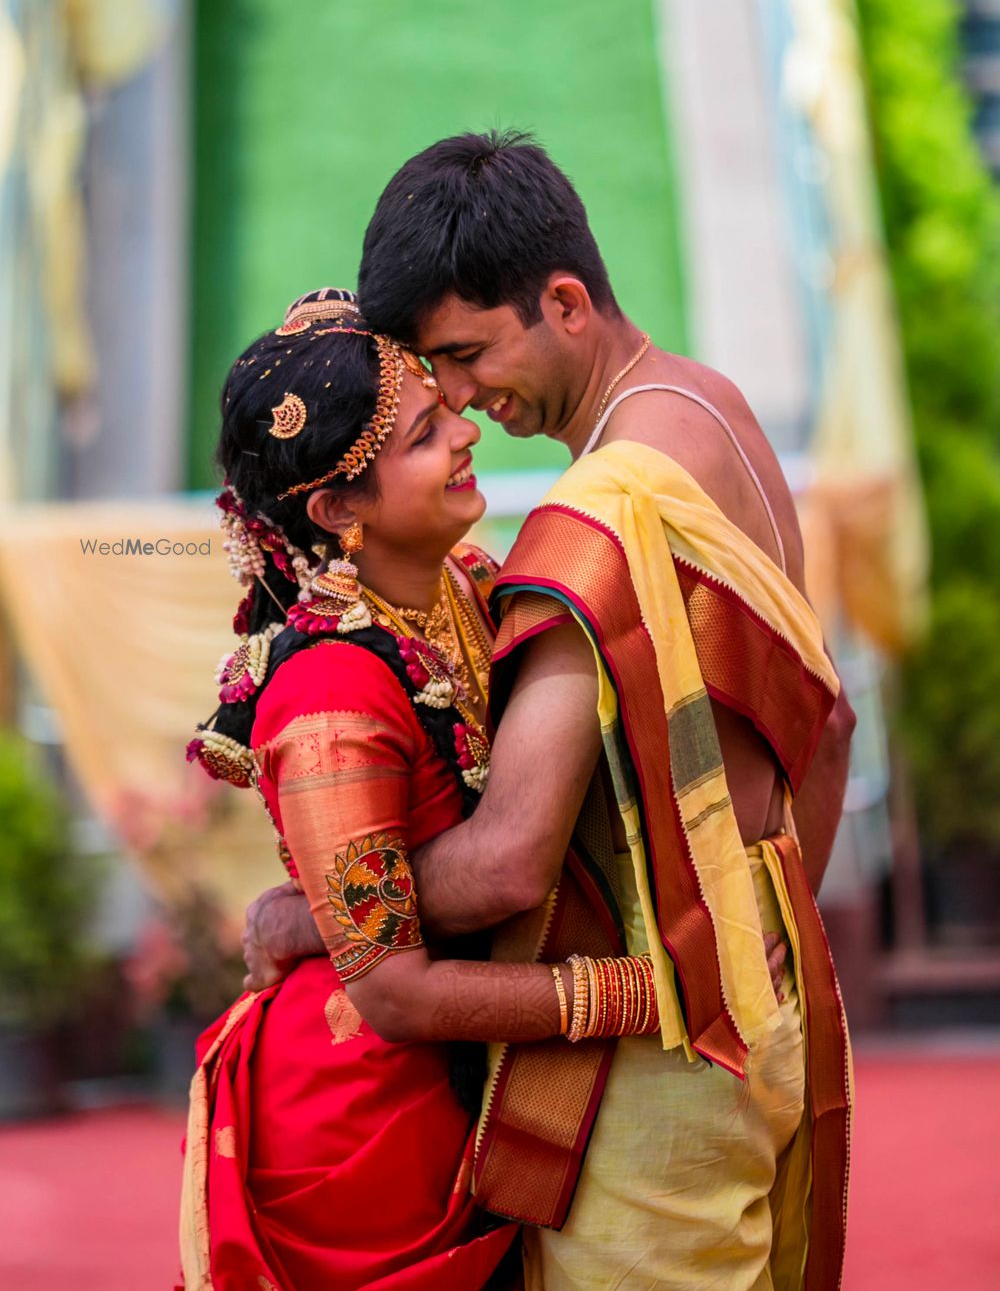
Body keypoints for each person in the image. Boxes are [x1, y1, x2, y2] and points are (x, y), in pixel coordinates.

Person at [246, 133, 856, 1290]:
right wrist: (752, 950)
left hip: (658, 1053)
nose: (466, 403)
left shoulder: (600, 512)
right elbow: (827, 729)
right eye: (435, 382)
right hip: (763, 998)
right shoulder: (714, 409)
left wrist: (321, 911)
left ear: (565, 300)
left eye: (466, 358)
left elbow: (513, 860)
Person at [180, 288, 689, 1291]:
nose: (463, 432)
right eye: (421, 435)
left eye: (441, 406)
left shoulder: (456, 580)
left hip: (470, 1053)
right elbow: (395, 990)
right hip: (364, 1113)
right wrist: (634, 991)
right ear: (336, 510)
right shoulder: (329, 695)